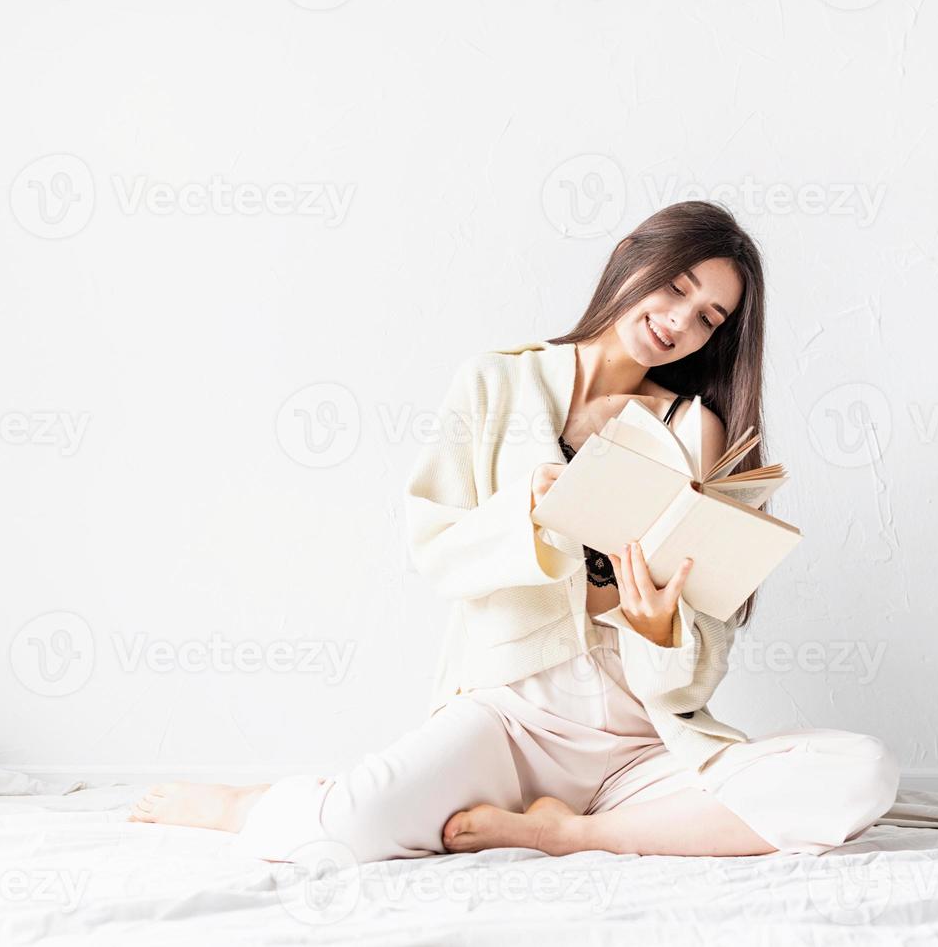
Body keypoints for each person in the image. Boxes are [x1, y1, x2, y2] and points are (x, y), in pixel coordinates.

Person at [128, 201, 898, 862]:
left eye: (709, 318)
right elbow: (434, 546)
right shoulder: (495, 384)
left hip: (641, 739)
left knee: (862, 774)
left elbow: (702, 649)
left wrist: (659, 631)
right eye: (676, 286)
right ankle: (249, 804)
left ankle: (570, 835)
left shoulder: (697, 430)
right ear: (631, 257)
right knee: (347, 830)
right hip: (510, 717)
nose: (679, 321)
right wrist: (524, 515)